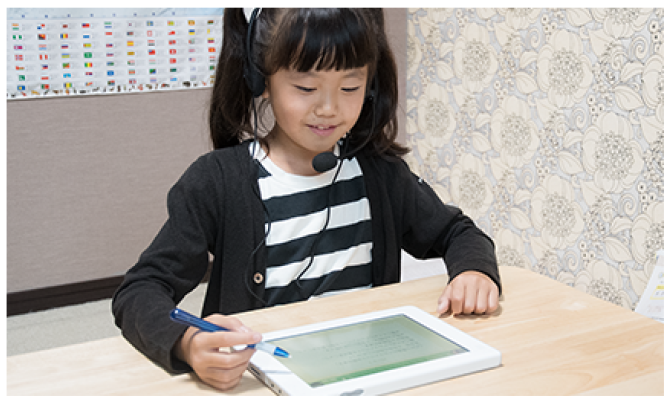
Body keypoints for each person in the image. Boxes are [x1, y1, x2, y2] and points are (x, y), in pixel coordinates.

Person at [112, 8, 501, 392]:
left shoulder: (380, 174)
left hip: (365, 376)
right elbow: (140, 291)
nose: (329, 108)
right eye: (306, 88)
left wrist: (474, 271)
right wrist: (188, 343)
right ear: (261, 79)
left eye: (350, 88)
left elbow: (457, 232)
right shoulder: (216, 182)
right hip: (260, 383)